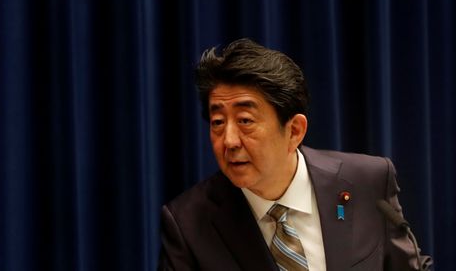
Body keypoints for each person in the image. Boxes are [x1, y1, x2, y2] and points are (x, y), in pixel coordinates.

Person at [158, 38, 432, 270]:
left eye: (245, 121)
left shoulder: (367, 182)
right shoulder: (188, 224)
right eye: (218, 123)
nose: (229, 141)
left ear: (294, 131)